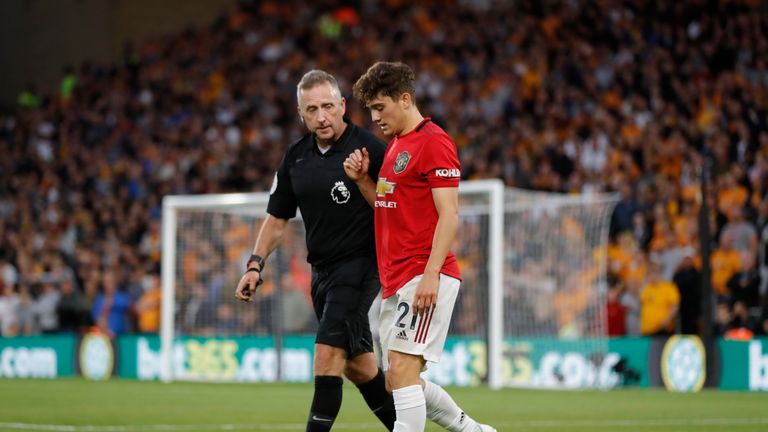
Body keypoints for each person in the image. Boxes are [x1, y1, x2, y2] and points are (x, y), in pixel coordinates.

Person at [234, 70, 396, 432]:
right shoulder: (295, 157)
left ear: (342, 106)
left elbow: (398, 210)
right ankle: (407, 426)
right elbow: (277, 218)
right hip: (321, 273)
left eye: (327, 106)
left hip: (362, 265)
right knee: (359, 366)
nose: (321, 116)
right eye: (312, 109)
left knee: (326, 355)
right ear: (300, 113)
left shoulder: (372, 149)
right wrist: (255, 265)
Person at [345, 61, 496, 432]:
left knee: (401, 369)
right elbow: (387, 208)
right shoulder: (397, 145)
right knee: (398, 379)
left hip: (425, 273)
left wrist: (431, 275)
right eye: (371, 110)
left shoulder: (434, 142)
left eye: (381, 107)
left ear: (405, 99)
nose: (375, 117)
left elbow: (450, 214)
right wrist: (365, 181)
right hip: (396, 279)